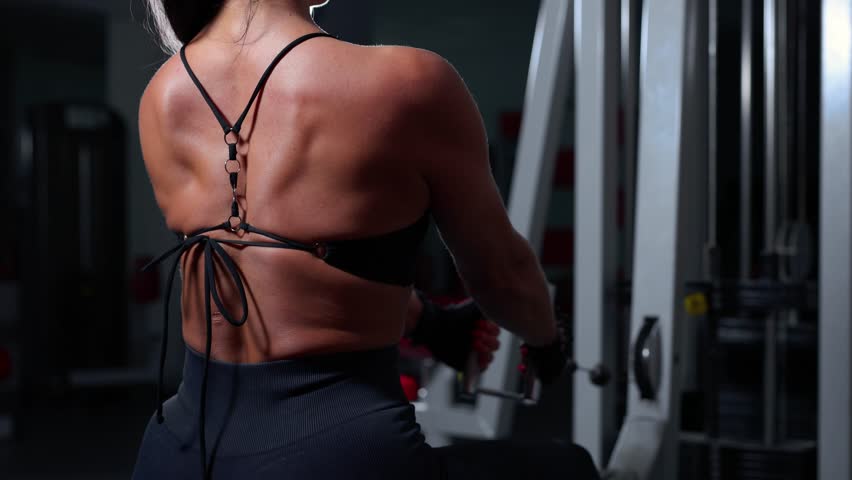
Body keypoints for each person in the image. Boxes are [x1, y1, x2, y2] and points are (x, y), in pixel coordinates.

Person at [132, 0, 599, 479]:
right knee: (574, 468)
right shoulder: (410, 83)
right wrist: (547, 344)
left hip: (179, 453)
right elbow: (503, 277)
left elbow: (258, 263)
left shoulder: (163, 94)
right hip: (338, 453)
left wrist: (432, 324)